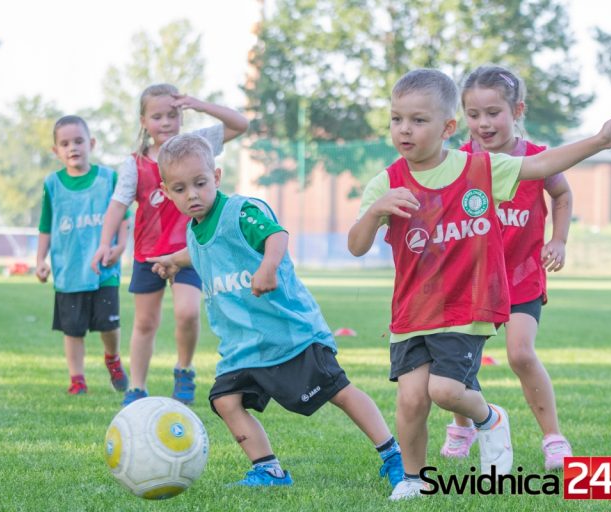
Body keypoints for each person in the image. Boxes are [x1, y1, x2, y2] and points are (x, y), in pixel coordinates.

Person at [347, 68, 611, 500]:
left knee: (444, 391)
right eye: (397, 119)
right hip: (411, 311)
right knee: (411, 401)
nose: (405, 129)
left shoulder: (479, 168)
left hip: (467, 307)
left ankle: (490, 418)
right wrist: (373, 211)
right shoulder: (387, 182)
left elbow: (540, 166)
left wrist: (598, 141)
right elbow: (357, 246)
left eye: (418, 121)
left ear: (447, 128)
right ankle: (414, 479)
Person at [147, 133, 404, 490]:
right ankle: (268, 470)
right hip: (244, 346)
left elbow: (277, 236)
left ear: (217, 177)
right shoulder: (195, 229)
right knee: (225, 400)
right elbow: (207, 251)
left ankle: (393, 454)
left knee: (338, 392)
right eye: (179, 188)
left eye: (200, 183)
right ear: (166, 190)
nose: (191, 194)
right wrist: (175, 260)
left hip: (290, 335)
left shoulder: (241, 212)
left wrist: (268, 267)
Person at [439, 65, 574, 471]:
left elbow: (562, 193)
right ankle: (462, 426)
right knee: (458, 361)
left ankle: (554, 440)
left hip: (521, 277)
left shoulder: (536, 158)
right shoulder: (459, 159)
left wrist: (559, 239)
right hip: (471, 280)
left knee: (520, 353)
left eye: (493, 112)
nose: (483, 123)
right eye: (474, 114)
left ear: (517, 110)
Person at [90, 84, 248, 407]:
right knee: (145, 322)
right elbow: (118, 206)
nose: (165, 122)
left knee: (187, 313)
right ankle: (136, 387)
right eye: (157, 116)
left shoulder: (197, 145)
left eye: (173, 114)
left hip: (190, 253)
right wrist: (104, 244)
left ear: (182, 115)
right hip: (149, 255)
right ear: (143, 121)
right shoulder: (134, 165)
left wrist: (198, 103)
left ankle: (185, 369)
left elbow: (240, 125)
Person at [36, 115, 130, 395]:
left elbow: (124, 217)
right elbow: (45, 226)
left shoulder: (108, 178)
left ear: (91, 143)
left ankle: (112, 358)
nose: (72, 147)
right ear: (56, 151)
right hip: (69, 271)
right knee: (73, 330)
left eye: (78, 141)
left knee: (108, 325)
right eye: (65, 143)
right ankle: (77, 379)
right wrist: (40, 261)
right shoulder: (52, 184)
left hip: (105, 270)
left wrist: (121, 247)